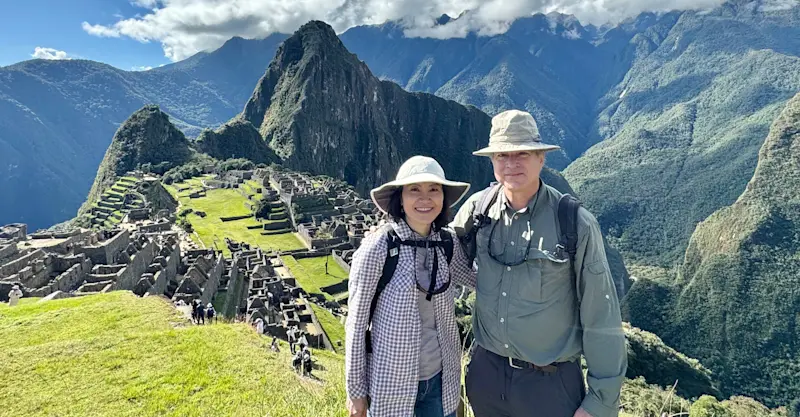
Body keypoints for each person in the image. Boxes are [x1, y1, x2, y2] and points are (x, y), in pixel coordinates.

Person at [450, 110, 627, 417]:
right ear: (492, 161)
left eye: (523, 153)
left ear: (541, 159)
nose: (511, 163)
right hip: (486, 375)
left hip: (549, 385)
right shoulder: (478, 210)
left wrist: (600, 402)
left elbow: (601, 313)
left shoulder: (574, 224)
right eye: (502, 155)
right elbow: (438, 249)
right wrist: (388, 233)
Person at [345, 156, 476, 417]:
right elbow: (356, 323)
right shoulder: (379, 248)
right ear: (400, 198)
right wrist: (356, 392)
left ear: (443, 198)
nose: (425, 199)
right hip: (391, 384)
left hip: (441, 382)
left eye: (434, 190)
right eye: (414, 189)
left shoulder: (446, 245)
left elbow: (478, 281)